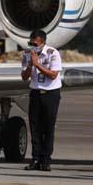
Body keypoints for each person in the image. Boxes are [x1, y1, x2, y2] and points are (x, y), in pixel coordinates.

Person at [20, 29, 62, 172]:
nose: (32, 46)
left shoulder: (52, 53)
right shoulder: (27, 54)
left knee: (48, 127)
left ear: (42, 43)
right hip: (36, 92)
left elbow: (53, 75)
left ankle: (46, 160)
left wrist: (38, 64)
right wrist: (31, 64)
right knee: (35, 127)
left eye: (35, 44)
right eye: (30, 43)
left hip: (50, 93)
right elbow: (24, 77)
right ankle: (36, 158)